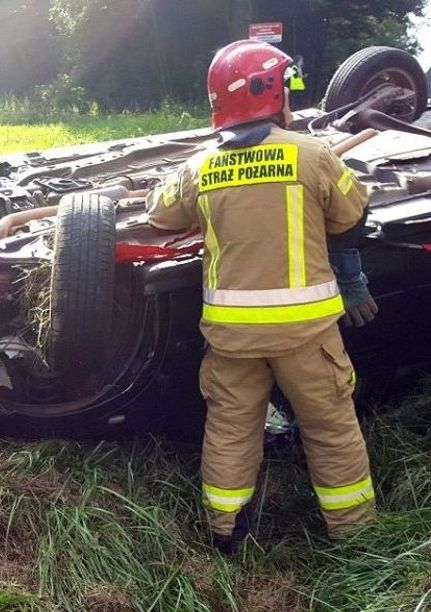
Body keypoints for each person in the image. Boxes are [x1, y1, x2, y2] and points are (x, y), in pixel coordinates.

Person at [146, 40, 378, 553]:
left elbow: (158, 212)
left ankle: (224, 533)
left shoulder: (201, 168)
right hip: (306, 336)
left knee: (231, 429)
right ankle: (355, 536)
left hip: (232, 339)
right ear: (273, 93)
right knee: (330, 429)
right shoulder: (312, 155)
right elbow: (352, 215)